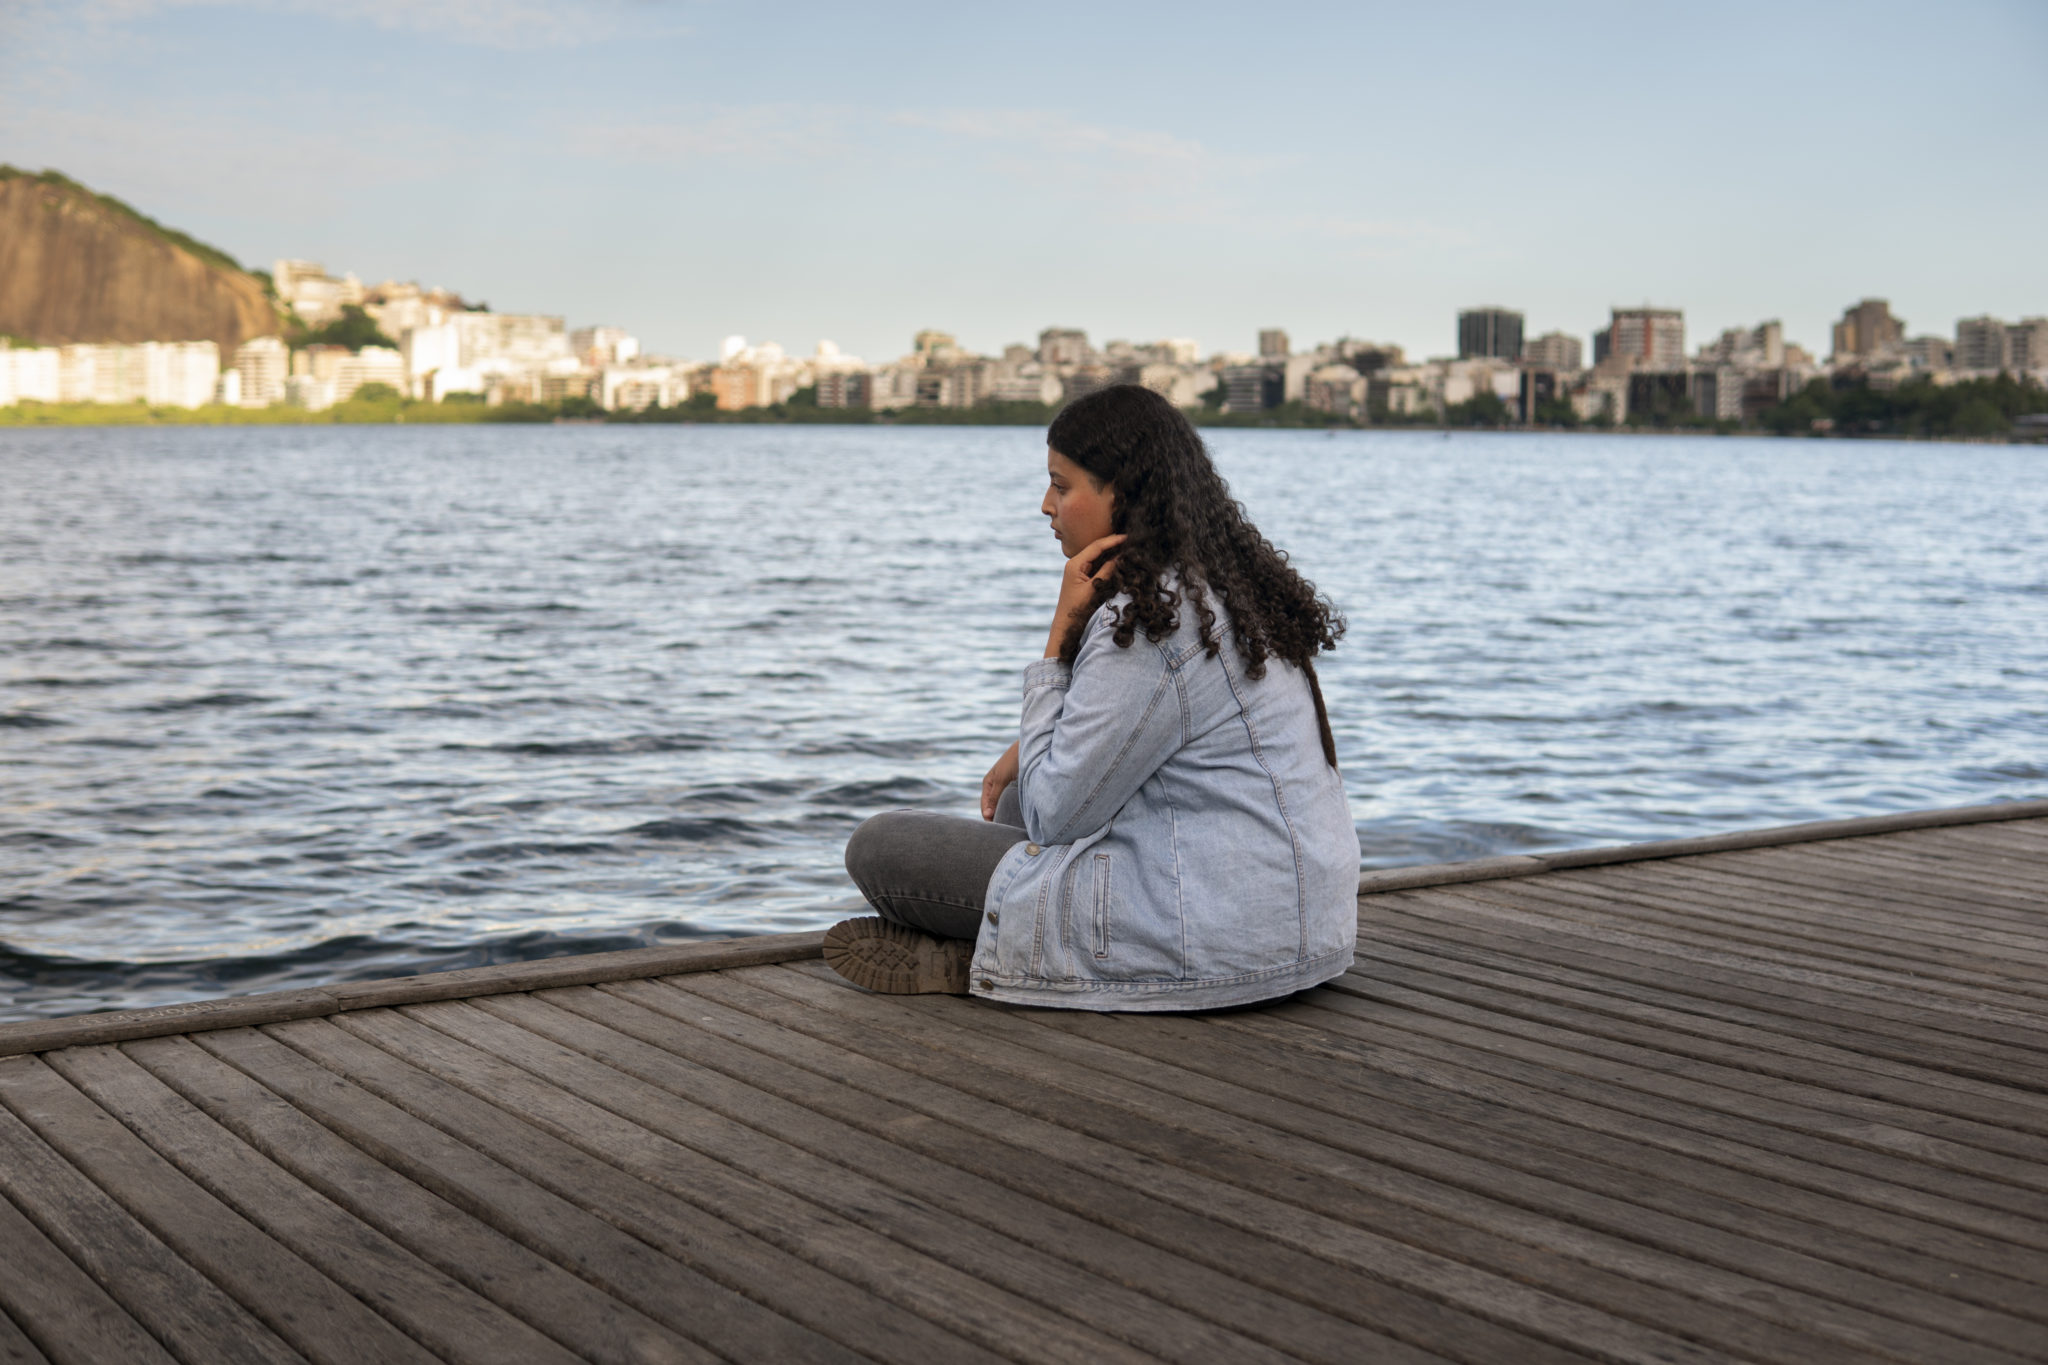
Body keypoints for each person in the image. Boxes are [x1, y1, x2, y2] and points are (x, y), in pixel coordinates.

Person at [824, 383, 1360, 1010]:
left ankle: (1008, 957)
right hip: (1300, 931)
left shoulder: (1148, 623)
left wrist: (1058, 642)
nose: (1045, 505)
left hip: (1209, 945)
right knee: (1022, 790)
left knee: (882, 846)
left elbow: (1056, 822)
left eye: (1061, 484)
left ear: (1122, 494)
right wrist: (1033, 745)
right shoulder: (1226, 594)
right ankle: (1013, 946)